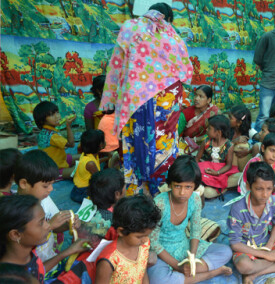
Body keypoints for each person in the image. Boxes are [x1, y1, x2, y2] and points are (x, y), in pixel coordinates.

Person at [100, 3, 193, 196]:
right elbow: (186, 72)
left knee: (135, 140)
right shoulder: (172, 35)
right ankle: (161, 191)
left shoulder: (130, 27)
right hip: (167, 98)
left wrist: (109, 99)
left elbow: (116, 65)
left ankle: (136, 191)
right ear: (168, 18)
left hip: (135, 97)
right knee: (165, 140)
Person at [148, 156, 233, 283]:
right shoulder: (159, 203)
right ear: (170, 184)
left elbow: (195, 230)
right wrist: (178, 265)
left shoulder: (195, 199)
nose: (182, 192)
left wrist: (191, 257)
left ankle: (185, 273)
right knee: (158, 280)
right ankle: (210, 273)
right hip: (162, 253)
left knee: (226, 252)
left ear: (195, 186)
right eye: (177, 186)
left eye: (188, 187)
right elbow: (154, 243)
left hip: (184, 246)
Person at [14, 150, 88, 275]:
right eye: (45, 186)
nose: (51, 189)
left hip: (50, 259)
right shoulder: (14, 214)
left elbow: (54, 228)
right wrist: (51, 226)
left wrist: (68, 225)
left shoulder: (44, 199)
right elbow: (34, 267)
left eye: (52, 184)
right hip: (36, 272)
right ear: (24, 183)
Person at [95, 195, 161, 284]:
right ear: (121, 232)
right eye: (139, 236)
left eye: (147, 235)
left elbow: (142, 271)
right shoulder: (109, 261)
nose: (145, 240)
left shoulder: (144, 245)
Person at [0, 195, 50, 283]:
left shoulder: (28, 252)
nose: (48, 226)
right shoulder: (10, 278)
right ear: (16, 235)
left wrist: (67, 252)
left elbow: (38, 269)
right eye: (41, 223)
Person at [196, 115, 239, 198]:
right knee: (199, 177)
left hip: (220, 172)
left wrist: (217, 173)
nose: (206, 130)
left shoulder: (229, 145)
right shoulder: (205, 142)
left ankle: (217, 187)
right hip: (206, 170)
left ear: (218, 132)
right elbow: (197, 159)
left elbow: (228, 165)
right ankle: (218, 188)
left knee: (237, 176)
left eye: (209, 128)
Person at [33, 101, 76, 180]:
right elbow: (71, 144)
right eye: (52, 115)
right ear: (42, 120)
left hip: (56, 161)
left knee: (83, 157)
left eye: (57, 112)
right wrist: (68, 126)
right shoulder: (53, 135)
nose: (57, 116)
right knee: (84, 169)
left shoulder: (44, 132)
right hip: (55, 170)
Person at [83, 168, 126, 238]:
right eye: (124, 184)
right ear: (117, 194)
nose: (125, 187)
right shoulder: (114, 221)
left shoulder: (89, 209)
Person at [71, 129, 105, 203]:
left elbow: (96, 162)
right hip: (82, 192)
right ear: (101, 145)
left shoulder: (87, 154)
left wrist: (108, 158)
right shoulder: (90, 164)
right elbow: (99, 179)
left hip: (77, 188)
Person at [229, 104, 253, 172]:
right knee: (238, 146)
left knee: (242, 147)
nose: (228, 120)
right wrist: (234, 141)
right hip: (224, 159)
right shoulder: (226, 129)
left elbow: (261, 139)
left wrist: (249, 150)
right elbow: (220, 147)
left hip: (237, 162)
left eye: (230, 118)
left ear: (239, 123)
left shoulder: (248, 131)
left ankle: (241, 173)